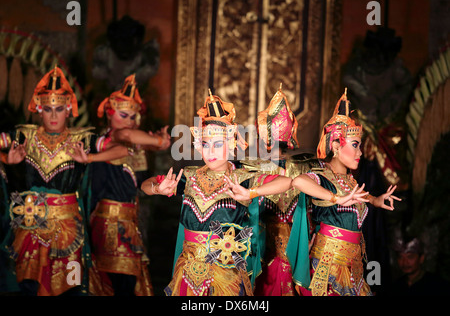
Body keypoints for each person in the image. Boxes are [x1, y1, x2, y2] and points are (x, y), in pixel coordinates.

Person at [225, 90, 401, 296]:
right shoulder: (252, 169)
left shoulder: (313, 167)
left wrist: (374, 199)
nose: (360, 152)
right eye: (355, 146)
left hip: (309, 251)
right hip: (269, 250)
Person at [141, 91, 292, 296]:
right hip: (189, 272)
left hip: (226, 276)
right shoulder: (189, 176)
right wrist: (158, 188)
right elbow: (145, 185)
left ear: (231, 144)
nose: (210, 151)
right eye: (205, 144)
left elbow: (287, 182)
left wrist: (251, 193)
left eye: (218, 144)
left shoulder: (241, 178)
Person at [0, 66, 129, 296]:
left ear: (68, 110)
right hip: (30, 224)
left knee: (69, 287)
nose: (52, 116)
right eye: (48, 109)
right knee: (28, 286)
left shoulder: (82, 139)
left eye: (58, 109)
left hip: (67, 229)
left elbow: (121, 150)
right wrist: (6, 160)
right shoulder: (24, 136)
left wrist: (89, 157)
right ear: (39, 110)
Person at [87, 74, 170, 296]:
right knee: (116, 279)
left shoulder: (127, 143)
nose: (129, 122)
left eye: (134, 117)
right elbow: (128, 134)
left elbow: (140, 146)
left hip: (127, 220)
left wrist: (156, 145)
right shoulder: (113, 136)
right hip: (110, 222)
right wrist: (160, 141)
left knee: (125, 281)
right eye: (124, 115)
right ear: (109, 114)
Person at [242, 84, 318, 296]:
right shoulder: (250, 169)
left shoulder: (306, 166)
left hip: (300, 247)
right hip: (262, 247)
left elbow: (314, 208)